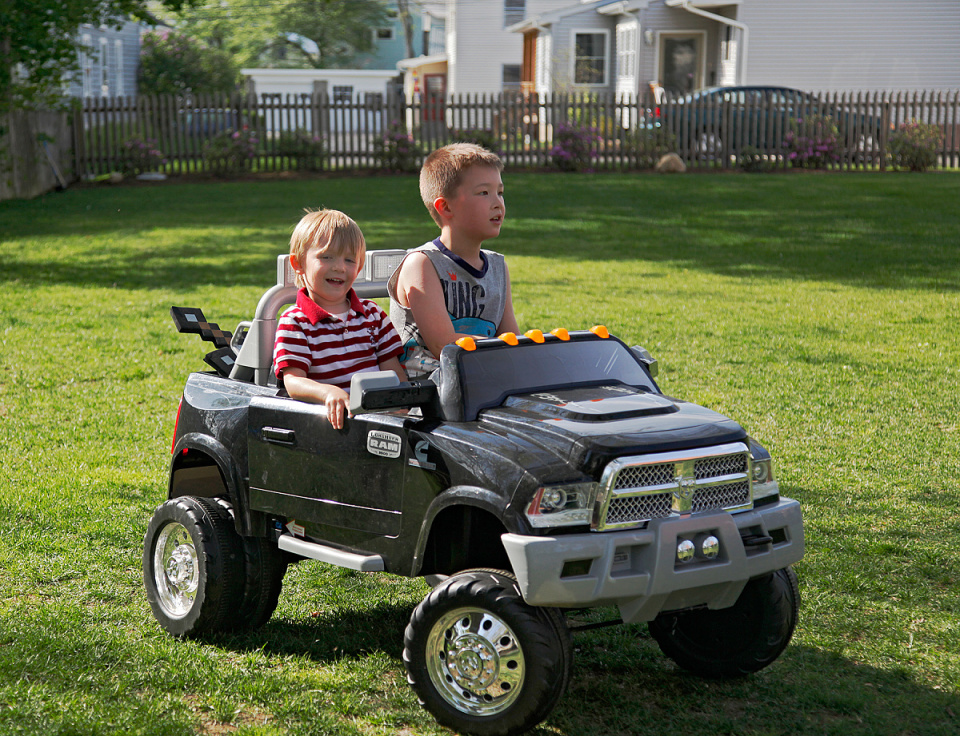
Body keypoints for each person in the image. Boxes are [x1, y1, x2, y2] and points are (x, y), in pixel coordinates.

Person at [388, 142, 519, 376]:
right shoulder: (422, 264)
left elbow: (512, 339)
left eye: (500, 192)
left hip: (481, 382)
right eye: (484, 192)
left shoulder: (498, 267)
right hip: (425, 397)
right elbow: (443, 345)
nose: (498, 202)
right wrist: (506, 350)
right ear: (445, 207)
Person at [274, 209, 406, 429]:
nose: (339, 267)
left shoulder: (373, 315)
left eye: (349, 260)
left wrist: (401, 403)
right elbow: (293, 382)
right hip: (331, 426)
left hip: (380, 419)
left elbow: (394, 373)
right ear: (298, 264)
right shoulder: (295, 322)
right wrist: (328, 393)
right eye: (326, 257)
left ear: (359, 267)